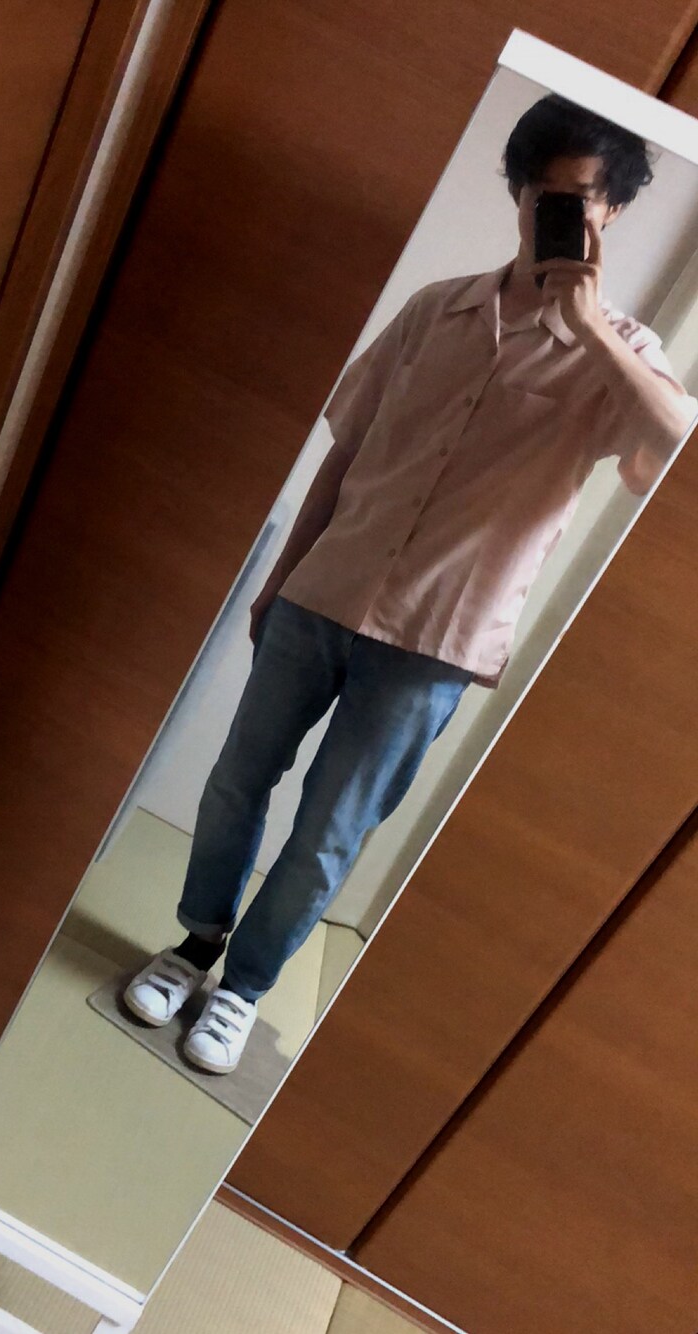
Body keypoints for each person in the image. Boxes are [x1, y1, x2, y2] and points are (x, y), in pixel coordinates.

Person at [123, 94, 697, 1075]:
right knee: (235, 782)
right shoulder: (435, 310)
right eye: (545, 193)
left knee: (329, 834)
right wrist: (281, 577)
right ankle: (194, 943)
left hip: (436, 641)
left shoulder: (626, 356)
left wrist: (588, 327)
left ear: (613, 212)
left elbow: (669, 448)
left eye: (582, 200)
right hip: (323, 592)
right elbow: (345, 452)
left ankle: (245, 989)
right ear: (517, 193)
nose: (559, 213)